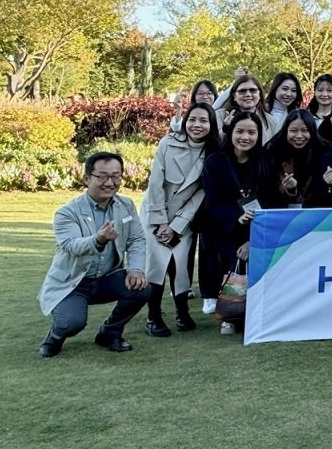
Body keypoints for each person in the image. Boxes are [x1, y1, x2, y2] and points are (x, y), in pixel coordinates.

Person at [37, 153, 149, 357]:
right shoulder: (67, 212)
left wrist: (135, 269)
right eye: (102, 176)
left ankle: (109, 333)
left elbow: (136, 239)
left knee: (143, 287)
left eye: (116, 176)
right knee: (71, 323)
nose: (110, 183)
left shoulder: (126, 205)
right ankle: (55, 336)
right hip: (73, 283)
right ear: (87, 179)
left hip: (106, 279)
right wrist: (98, 240)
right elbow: (70, 245)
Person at [141, 103, 219, 337]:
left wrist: (176, 225)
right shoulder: (167, 143)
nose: (197, 125)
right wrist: (160, 222)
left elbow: (201, 194)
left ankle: (182, 313)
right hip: (155, 213)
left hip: (184, 218)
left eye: (203, 120)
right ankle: (153, 316)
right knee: (156, 265)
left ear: (211, 124)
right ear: (185, 121)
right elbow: (155, 184)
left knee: (181, 265)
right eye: (192, 119)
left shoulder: (214, 153)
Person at [200, 111, 267, 334]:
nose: (245, 137)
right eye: (240, 131)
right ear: (231, 133)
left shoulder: (265, 161)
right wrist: (235, 217)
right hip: (225, 227)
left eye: (251, 132)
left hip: (260, 228)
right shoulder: (215, 162)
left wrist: (252, 240)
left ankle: (256, 313)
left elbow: (272, 201)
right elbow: (213, 203)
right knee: (231, 259)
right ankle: (231, 314)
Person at [260, 109, 328, 208]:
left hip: (317, 209)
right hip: (280, 209)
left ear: (312, 131)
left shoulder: (325, 150)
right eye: (293, 130)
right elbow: (267, 189)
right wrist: (289, 189)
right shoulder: (273, 150)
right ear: (286, 131)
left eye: (305, 130)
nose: (299, 136)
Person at [307, 73, 332, 143]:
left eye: (329, 90)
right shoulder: (307, 116)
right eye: (320, 90)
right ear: (315, 92)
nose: (324, 94)